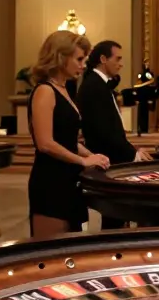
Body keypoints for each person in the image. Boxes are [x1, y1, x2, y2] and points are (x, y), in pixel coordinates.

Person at [28, 30, 109, 238]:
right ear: (60, 57)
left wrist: (91, 156)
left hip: (68, 177)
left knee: (69, 247)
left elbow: (69, 139)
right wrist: (82, 162)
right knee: (51, 251)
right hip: (50, 181)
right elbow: (45, 143)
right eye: (79, 59)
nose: (83, 65)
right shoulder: (45, 91)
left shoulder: (64, 89)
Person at [78, 40, 152, 230]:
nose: (121, 63)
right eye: (117, 58)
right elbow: (104, 132)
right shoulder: (94, 86)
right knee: (114, 216)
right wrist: (133, 155)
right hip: (107, 159)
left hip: (113, 155)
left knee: (117, 216)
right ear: (103, 59)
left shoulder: (100, 85)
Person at [65, 34, 92, 101]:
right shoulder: (46, 90)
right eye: (79, 59)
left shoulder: (63, 85)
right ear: (62, 58)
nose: (84, 65)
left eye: (85, 61)